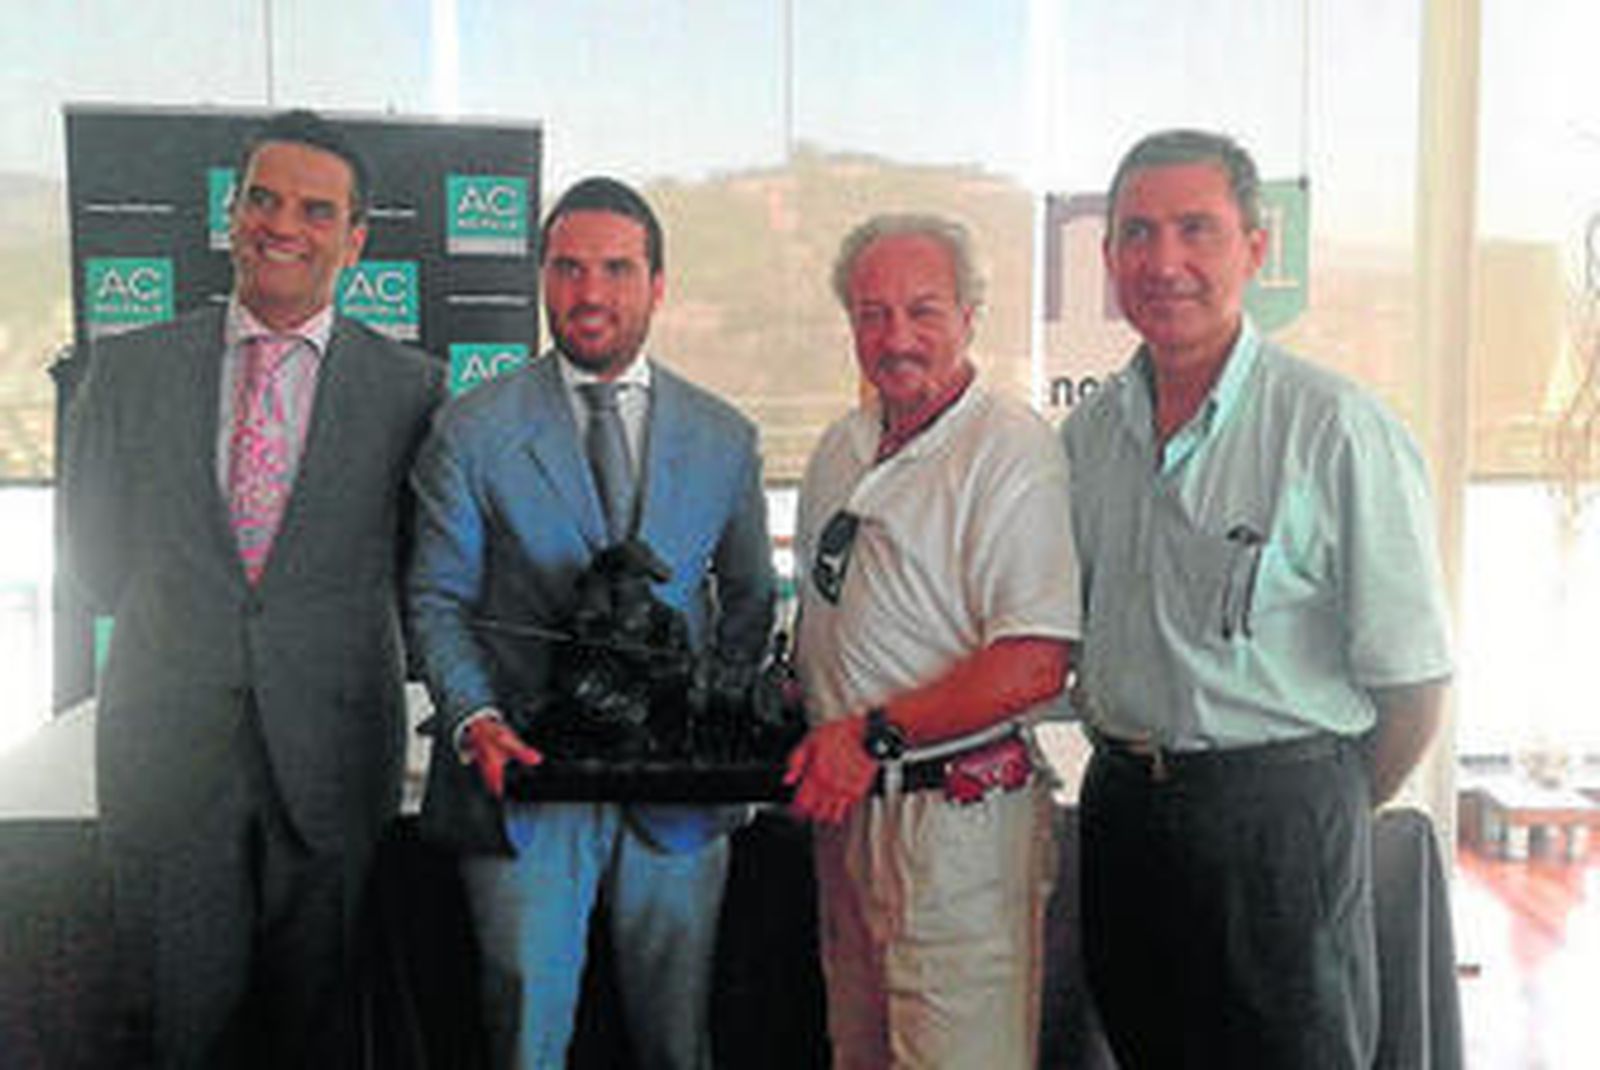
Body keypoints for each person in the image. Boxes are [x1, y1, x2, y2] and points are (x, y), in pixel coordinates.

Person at [1061, 128, 1454, 1068]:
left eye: (1197, 229)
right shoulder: (1089, 436)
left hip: (1279, 821)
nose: (1166, 261)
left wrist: (1312, 815)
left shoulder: (1338, 429)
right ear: (1109, 256)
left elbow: (1415, 685)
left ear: (1256, 247)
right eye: (1138, 234)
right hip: (1123, 815)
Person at [61, 109, 446, 1067]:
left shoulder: (415, 392)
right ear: (231, 215)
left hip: (332, 758)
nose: (284, 225)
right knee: (170, 1031)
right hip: (167, 753)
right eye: (263, 200)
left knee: (321, 1034)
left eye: (317, 210)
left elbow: (421, 569)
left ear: (354, 242)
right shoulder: (129, 369)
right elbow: (95, 558)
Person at [407, 176, 776, 1069]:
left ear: (658, 284)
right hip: (524, 788)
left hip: (676, 805)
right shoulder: (471, 430)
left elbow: (751, 597)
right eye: (569, 268)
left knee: (677, 1044)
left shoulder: (725, 436)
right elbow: (437, 602)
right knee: (524, 1042)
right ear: (543, 278)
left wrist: (703, 720)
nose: (591, 291)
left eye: (617, 268)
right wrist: (476, 719)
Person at [784, 214, 1080, 1068]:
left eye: (924, 311)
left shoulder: (1011, 451)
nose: (897, 337)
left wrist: (873, 733)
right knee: (862, 1052)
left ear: (970, 316)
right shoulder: (840, 447)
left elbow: (1035, 661)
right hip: (846, 817)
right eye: (872, 314)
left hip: (958, 829)